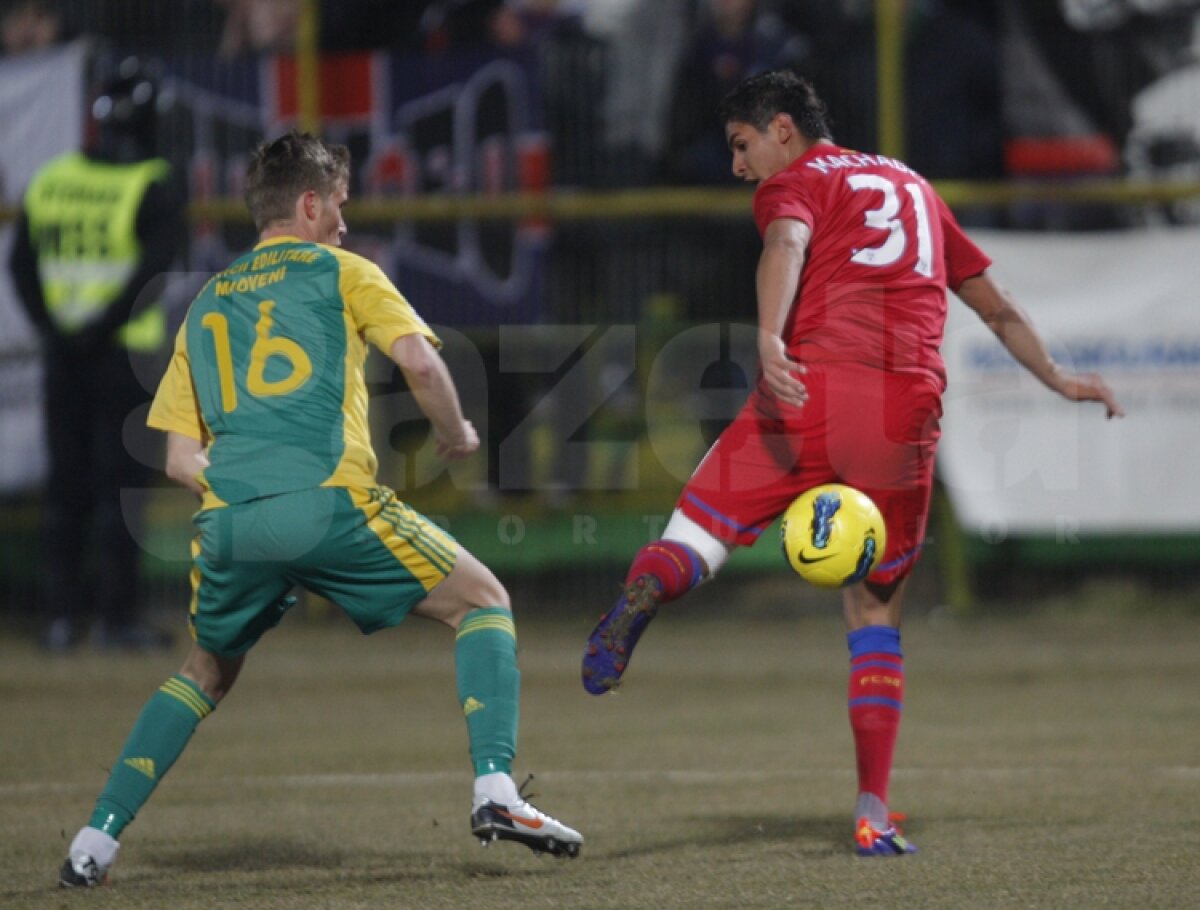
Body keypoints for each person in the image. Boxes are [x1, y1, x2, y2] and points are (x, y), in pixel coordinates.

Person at [581, 69, 1124, 856]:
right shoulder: (915, 187)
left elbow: (786, 243)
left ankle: (647, 593)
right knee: (874, 615)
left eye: (742, 145)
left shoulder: (797, 180)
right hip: (903, 409)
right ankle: (873, 811)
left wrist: (770, 337)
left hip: (811, 387)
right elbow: (995, 305)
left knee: (696, 533)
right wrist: (1060, 379)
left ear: (783, 129)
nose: (738, 166)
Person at [57, 130, 582, 888]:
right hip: (328, 503)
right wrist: (456, 432)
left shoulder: (206, 302)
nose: (344, 219)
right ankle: (496, 789)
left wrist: (251, 497)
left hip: (230, 524)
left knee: (203, 673)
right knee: (482, 602)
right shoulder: (345, 272)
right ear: (309, 205)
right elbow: (420, 361)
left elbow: (176, 460)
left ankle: (94, 842)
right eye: (338, 203)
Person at [9, 56, 185, 651]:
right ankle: (116, 618)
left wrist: (57, 330)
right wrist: (98, 329)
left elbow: (21, 267)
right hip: (122, 358)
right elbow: (152, 271)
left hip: (62, 357)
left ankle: (60, 619)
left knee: (66, 488)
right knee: (120, 487)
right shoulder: (153, 183)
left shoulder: (52, 179)